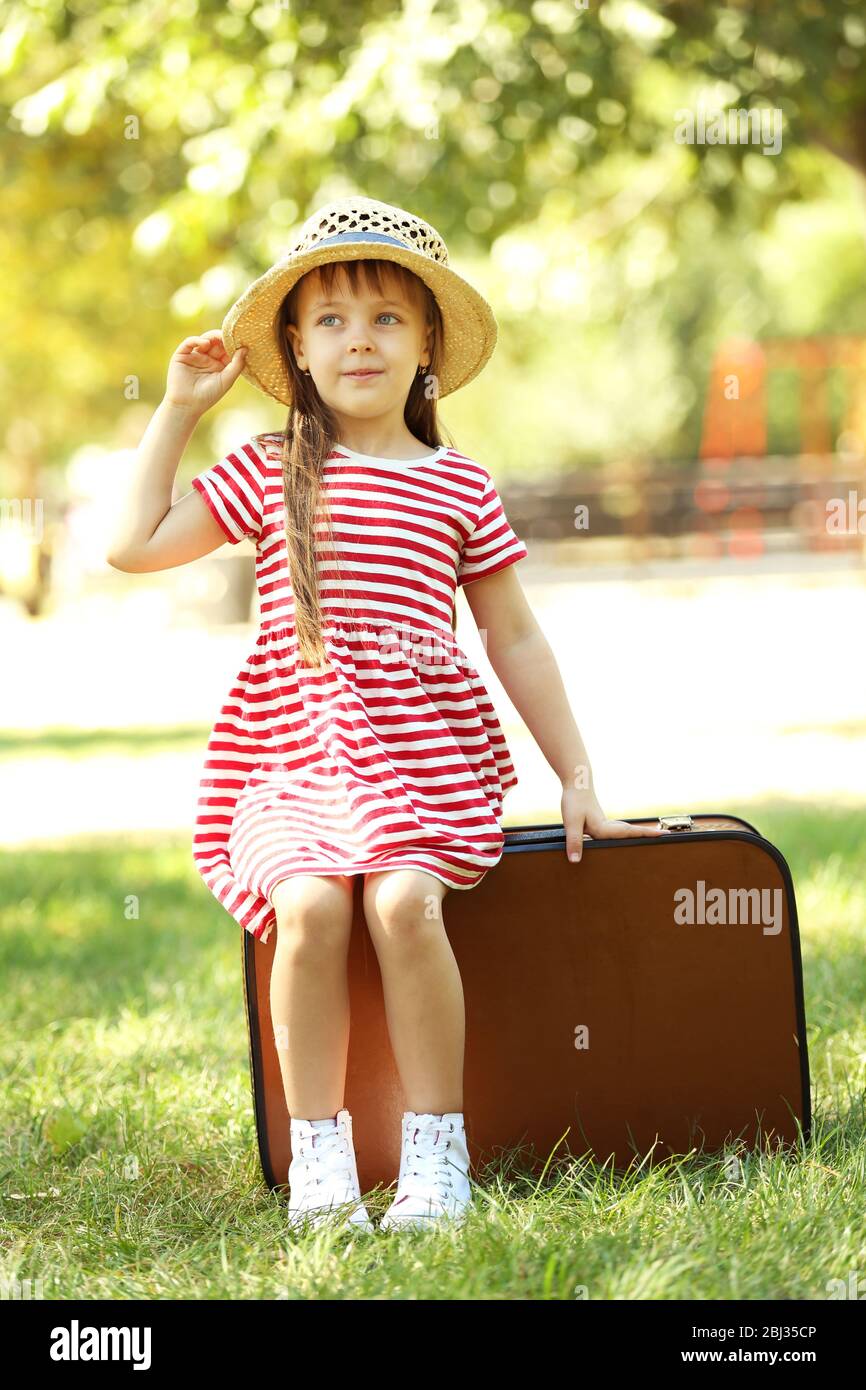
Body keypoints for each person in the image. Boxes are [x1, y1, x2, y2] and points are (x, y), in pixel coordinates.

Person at [106, 195, 667, 1237]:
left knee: (402, 904)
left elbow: (515, 638)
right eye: (328, 318)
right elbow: (131, 544)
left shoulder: (456, 484)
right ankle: (320, 1157)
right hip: (292, 758)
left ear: (426, 348)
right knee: (311, 909)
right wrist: (178, 405)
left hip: (418, 761)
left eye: (383, 318)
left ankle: (434, 1154)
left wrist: (576, 777)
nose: (355, 337)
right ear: (295, 347)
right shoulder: (274, 469)